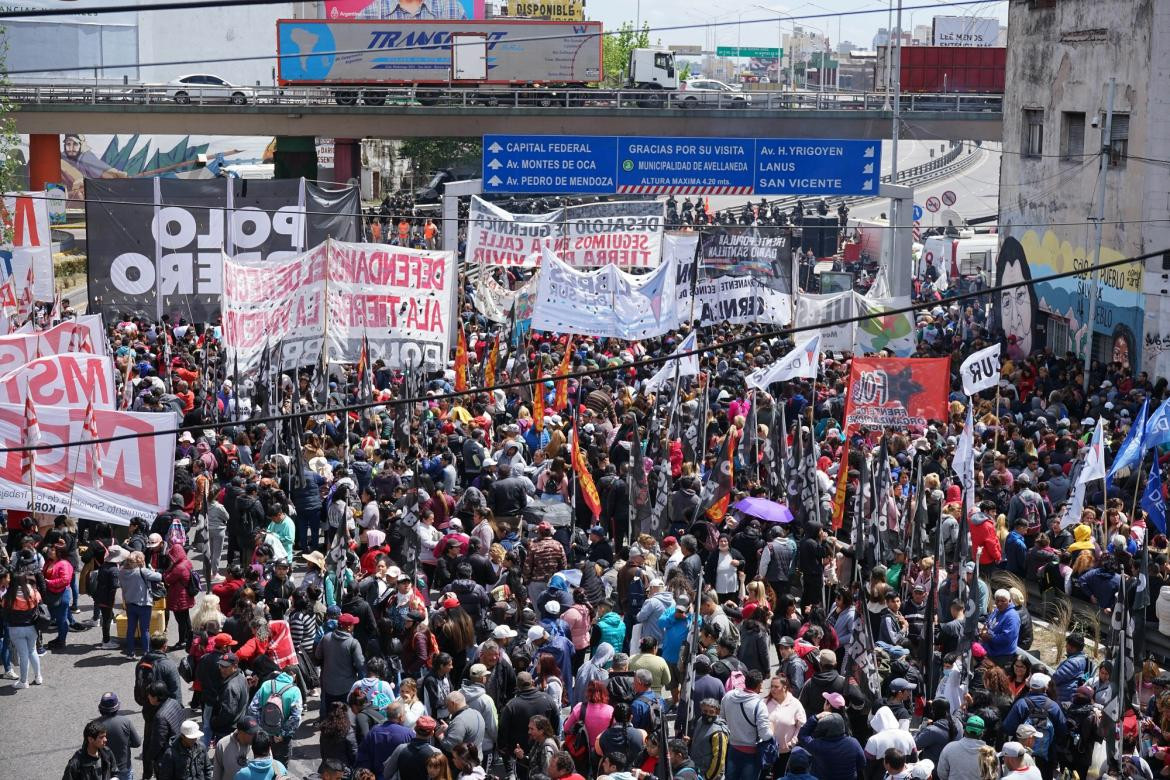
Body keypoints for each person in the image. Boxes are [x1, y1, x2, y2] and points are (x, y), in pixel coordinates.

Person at [721, 669, 773, 780]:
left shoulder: (728, 696)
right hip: (751, 754)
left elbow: (722, 720)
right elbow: (765, 735)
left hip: (732, 749)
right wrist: (772, 729)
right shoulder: (759, 704)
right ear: (759, 685)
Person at [96, 693, 142, 780]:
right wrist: (125, 742)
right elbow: (137, 743)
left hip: (103, 770)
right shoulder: (125, 722)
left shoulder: (95, 725)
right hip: (123, 768)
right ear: (117, 708)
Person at [938, 715, 989, 780]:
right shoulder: (990, 753)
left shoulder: (949, 748)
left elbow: (942, 773)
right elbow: (995, 775)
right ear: (982, 733)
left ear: (964, 730)